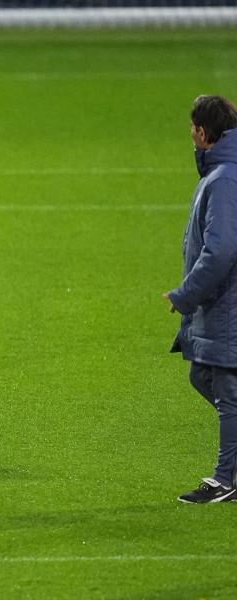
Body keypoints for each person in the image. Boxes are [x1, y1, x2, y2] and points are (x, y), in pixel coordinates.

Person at [165, 94, 237, 503]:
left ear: (203, 133)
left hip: (226, 304)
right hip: (223, 304)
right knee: (202, 376)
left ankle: (224, 480)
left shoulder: (224, 178)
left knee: (227, 390)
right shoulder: (224, 173)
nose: (189, 136)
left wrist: (187, 293)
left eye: (191, 129)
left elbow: (222, 248)